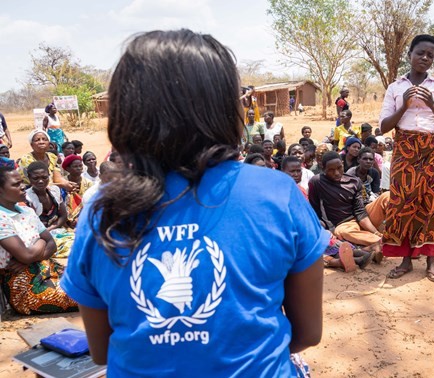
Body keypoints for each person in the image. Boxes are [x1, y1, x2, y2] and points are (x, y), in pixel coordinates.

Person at [60, 30, 328, 376]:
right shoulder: (275, 192)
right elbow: (308, 332)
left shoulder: (101, 208)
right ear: (222, 108)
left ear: (128, 112)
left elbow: (101, 351)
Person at [379, 34, 434, 281]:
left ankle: (431, 260)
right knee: (402, 203)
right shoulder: (395, 87)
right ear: (409, 55)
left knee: (432, 203)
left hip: (432, 149)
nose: (425, 58)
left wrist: (433, 104)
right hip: (405, 148)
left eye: (430, 55)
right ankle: (405, 260)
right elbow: (383, 127)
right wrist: (404, 104)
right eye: (420, 53)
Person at [0, 164, 78, 315]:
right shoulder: (2, 217)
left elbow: (52, 244)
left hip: (47, 269)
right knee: (86, 295)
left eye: (21, 182)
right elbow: (28, 254)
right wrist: (39, 243)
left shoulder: (26, 211)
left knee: (92, 279)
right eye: (16, 184)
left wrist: (30, 256)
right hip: (25, 286)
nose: (22, 186)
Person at [308, 151, 387, 256]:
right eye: (331, 170)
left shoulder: (354, 181)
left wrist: (375, 231)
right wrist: (325, 229)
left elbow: (360, 212)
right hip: (343, 224)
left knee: (387, 196)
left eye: (339, 168)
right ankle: (383, 242)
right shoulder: (317, 182)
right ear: (323, 169)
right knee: (342, 232)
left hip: (364, 217)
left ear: (342, 164)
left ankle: (383, 240)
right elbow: (315, 210)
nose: (336, 173)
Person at [25, 161, 75, 258]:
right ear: (29, 178)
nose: (40, 181)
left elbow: (63, 215)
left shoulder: (54, 190)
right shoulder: (27, 198)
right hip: (39, 238)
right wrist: (47, 233)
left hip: (56, 230)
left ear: (49, 176)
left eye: (44, 177)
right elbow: (31, 227)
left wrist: (51, 228)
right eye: (35, 178)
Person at [62, 154, 94, 227]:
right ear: (67, 169)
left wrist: (80, 218)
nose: (79, 168)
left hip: (85, 214)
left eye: (80, 166)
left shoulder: (88, 183)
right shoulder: (63, 182)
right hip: (65, 217)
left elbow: (91, 204)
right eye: (75, 166)